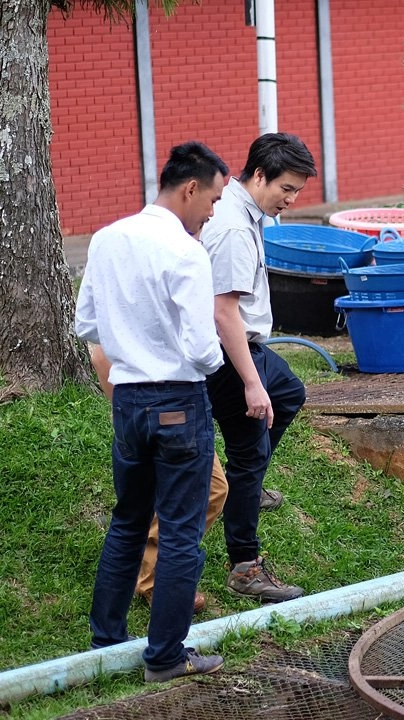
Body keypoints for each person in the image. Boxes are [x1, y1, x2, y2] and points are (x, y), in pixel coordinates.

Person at [75, 141, 228, 682]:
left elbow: (87, 324)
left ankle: (105, 642)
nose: (211, 213)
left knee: (128, 521)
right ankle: (165, 657)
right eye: (211, 200)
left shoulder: (106, 238)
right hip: (178, 402)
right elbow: (200, 348)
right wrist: (216, 363)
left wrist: (131, 343)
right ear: (190, 188)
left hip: (129, 400)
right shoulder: (187, 253)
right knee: (183, 533)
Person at [200, 132, 316, 603]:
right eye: (286, 189)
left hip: (248, 344)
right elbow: (223, 311)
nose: (290, 201)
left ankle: (247, 482)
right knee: (250, 448)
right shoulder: (230, 227)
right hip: (227, 352)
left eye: (297, 193)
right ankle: (245, 567)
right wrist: (250, 382)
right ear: (260, 175)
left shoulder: (246, 209)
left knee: (288, 393)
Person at [88, 345, 227, 615]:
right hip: (170, 409)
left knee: (211, 490)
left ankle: (145, 590)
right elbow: (99, 354)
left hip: (165, 408)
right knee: (143, 516)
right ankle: (154, 584)